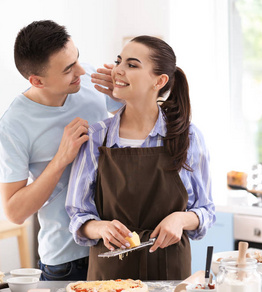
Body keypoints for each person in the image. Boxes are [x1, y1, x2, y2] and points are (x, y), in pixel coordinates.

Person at [66, 35, 216, 280]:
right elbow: (77, 214)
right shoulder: (97, 137)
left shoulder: (188, 137)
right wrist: (100, 227)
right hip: (110, 272)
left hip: (169, 270)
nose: (118, 71)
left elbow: (206, 210)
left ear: (160, 80)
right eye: (118, 62)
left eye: (132, 65)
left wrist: (180, 219)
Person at [0, 20, 122, 281]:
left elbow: (137, 123)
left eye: (77, 58)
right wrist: (61, 159)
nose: (80, 70)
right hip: (68, 259)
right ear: (37, 81)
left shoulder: (88, 79)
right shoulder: (12, 125)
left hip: (118, 243)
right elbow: (15, 212)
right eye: (67, 69)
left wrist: (124, 90)